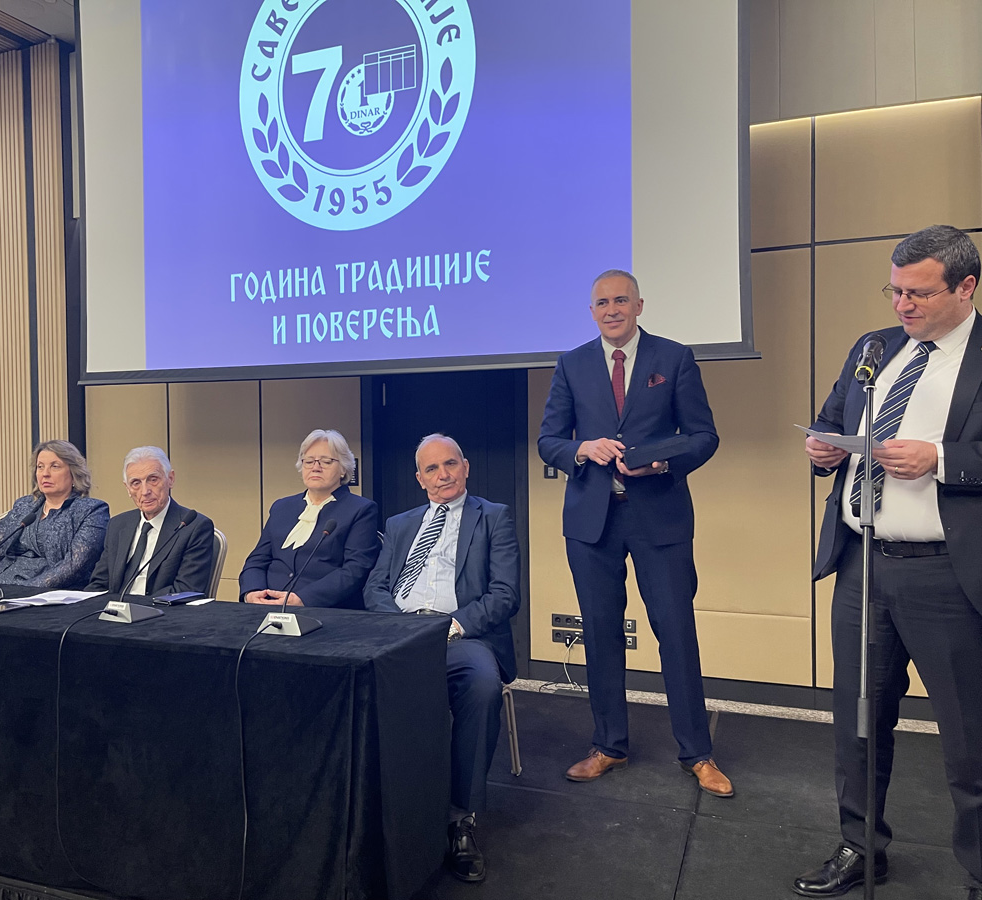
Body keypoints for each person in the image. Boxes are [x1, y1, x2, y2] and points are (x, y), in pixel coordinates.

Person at [795, 224, 982, 900]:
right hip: (862, 566)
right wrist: (824, 449)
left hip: (946, 575)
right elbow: (831, 418)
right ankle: (860, 847)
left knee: (968, 740)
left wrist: (944, 460)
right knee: (859, 722)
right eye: (895, 290)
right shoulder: (874, 348)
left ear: (965, 287)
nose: (902, 305)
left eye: (918, 293)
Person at [537, 269, 732, 797]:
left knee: (676, 631)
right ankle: (608, 745)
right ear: (592, 311)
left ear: (639, 305)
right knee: (601, 633)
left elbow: (703, 436)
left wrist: (663, 463)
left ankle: (698, 753)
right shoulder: (572, 364)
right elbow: (549, 440)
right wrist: (582, 449)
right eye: (602, 303)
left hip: (659, 516)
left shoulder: (675, 358)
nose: (612, 310)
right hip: (592, 522)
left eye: (621, 300)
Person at [363, 433, 520, 884]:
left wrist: (451, 626)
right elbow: (375, 587)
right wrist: (400, 625)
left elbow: (505, 594)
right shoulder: (399, 524)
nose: (443, 474)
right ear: (420, 478)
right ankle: (377, 807)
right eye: (431, 468)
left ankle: (460, 819)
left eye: (450, 464)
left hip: (460, 635)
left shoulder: (493, 517)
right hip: (400, 633)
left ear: (465, 467)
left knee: (482, 685)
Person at [239, 429, 380, 609]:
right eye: (309, 461)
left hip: (322, 608)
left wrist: (303, 599)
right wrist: (252, 592)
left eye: (326, 461)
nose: (315, 467)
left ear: (344, 469)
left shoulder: (361, 509)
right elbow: (257, 560)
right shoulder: (281, 507)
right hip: (267, 605)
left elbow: (355, 569)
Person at [0, 440, 109, 589]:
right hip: (2, 588)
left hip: (51, 593)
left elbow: (74, 566)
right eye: (40, 467)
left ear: (74, 472)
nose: (45, 474)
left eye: (55, 466)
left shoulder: (92, 510)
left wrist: (23, 592)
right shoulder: (24, 505)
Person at [87, 446, 215, 597]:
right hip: (114, 609)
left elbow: (185, 591)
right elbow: (98, 585)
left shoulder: (193, 527)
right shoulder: (118, 525)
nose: (145, 491)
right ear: (127, 489)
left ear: (170, 479)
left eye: (153, 480)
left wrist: (134, 606)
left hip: (160, 610)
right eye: (136, 483)